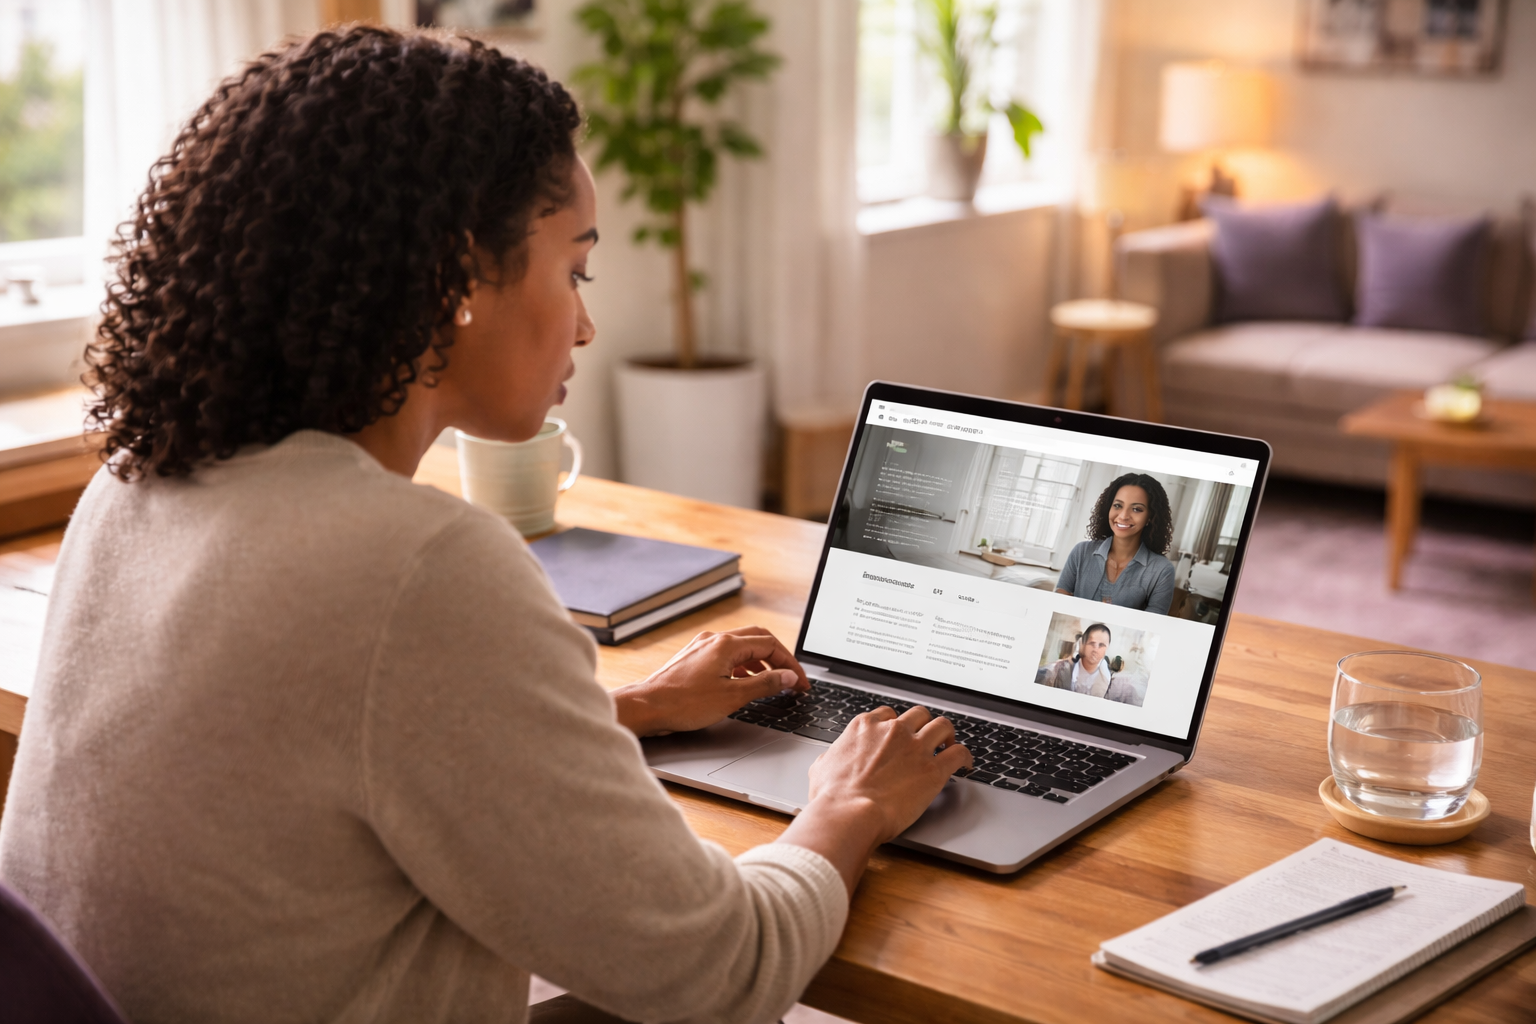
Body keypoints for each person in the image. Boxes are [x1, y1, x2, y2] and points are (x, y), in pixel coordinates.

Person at [0, 27, 971, 1024]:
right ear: (459, 279)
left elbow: (330, 752)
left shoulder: (137, 482)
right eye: (576, 271)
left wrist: (623, 709)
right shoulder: (415, 566)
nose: (586, 325)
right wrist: (848, 803)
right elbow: (722, 968)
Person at [1055, 473, 1176, 615]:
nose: (1123, 516)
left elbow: (1152, 628)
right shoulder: (1081, 552)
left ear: (1150, 517)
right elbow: (1059, 603)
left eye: (1136, 509)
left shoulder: (1162, 571)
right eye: (1118, 505)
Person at [1035, 623, 1114, 696]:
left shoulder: (1109, 683)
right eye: (1092, 643)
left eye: (1101, 645)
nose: (1095, 650)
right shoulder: (1056, 671)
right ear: (1082, 644)